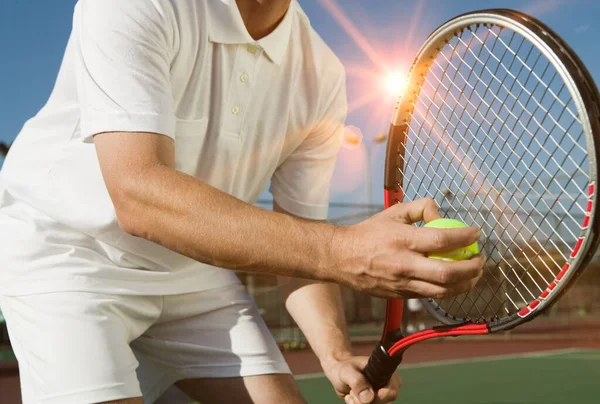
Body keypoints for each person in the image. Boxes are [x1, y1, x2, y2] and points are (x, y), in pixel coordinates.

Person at [0, 0, 483, 403]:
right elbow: (138, 193)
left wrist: (335, 353)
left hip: (194, 276)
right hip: (66, 256)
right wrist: (345, 250)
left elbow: (302, 242)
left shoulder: (321, 74)